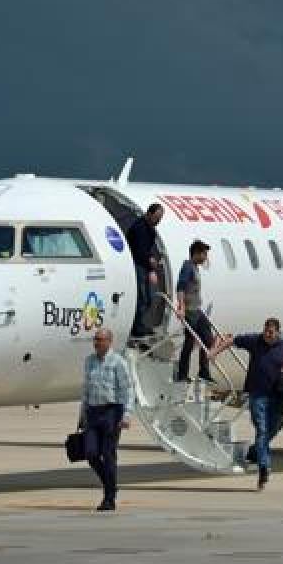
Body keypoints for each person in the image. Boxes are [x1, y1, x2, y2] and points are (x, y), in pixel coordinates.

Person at [219, 318, 283, 491]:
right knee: (261, 430)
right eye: (266, 331)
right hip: (257, 395)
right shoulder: (255, 341)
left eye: (271, 332)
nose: (268, 334)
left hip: (277, 396)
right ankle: (263, 468)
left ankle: (255, 452)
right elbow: (232, 341)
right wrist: (215, 351)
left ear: (278, 332)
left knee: (273, 429)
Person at [78, 328, 134, 511]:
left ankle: (109, 498)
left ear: (110, 342)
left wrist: (127, 415)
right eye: (95, 339)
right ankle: (111, 485)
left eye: (100, 340)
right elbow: (86, 388)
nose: (96, 343)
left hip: (112, 412)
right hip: (93, 412)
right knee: (91, 453)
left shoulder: (118, 362)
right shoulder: (89, 361)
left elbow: (128, 390)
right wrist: (82, 414)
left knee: (108, 454)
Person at [175, 240, 219, 382]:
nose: (205, 257)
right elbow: (180, 287)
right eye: (204, 254)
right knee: (189, 342)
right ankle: (182, 374)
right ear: (197, 253)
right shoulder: (188, 267)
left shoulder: (195, 267)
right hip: (189, 311)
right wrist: (181, 307)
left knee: (209, 339)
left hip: (197, 310)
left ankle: (204, 371)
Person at [126, 203, 164, 337]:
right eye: (157, 217)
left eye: (161, 217)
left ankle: (139, 325)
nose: (159, 220)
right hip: (138, 265)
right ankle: (136, 328)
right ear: (149, 213)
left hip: (143, 266)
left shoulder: (150, 229)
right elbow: (140, 251)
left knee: (146, 298)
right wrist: (151, 265)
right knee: (142, 298)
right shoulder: (140, 228)